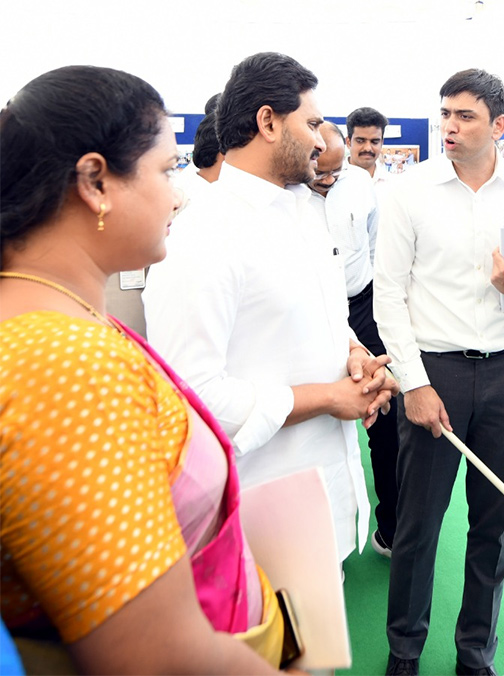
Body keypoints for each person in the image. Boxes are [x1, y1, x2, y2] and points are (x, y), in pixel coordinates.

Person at [1, 65, 287, 674]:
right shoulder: (66, 365)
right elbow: (158, 657)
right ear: (96, 181)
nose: (178, 193)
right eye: (166, 169)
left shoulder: (62, 319)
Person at [143, 52, 396, 564]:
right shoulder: (204, 235)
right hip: (257, 525)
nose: (325, 142)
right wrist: (328, 397)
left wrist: (353, 355)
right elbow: (194, 398)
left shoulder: (303, 213)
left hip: (322, 504)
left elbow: (321, 317)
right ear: (268, 122)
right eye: (313, 124)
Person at [374, 68, 504, 676]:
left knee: (493, 524)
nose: (450, 127)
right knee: (418, 525)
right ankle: (404, 653)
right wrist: (413, 383)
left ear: (499, 125)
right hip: (435, 371)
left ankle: (474, 657)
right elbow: (388, 294)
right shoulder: (410, 190)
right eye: (445, 114)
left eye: (464, 116)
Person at [309, 121, 402, 558]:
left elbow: (373, 246)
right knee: (320, 418)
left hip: (362, 307)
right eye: (319, 174)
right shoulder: (289, 195)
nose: (327, 181)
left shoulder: (361, 184)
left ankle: (392, 528)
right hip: (312, 310)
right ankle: (323, 539)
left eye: (335, 172)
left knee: (385, 416)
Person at [347, 106, 391, 186]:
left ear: (381, 143)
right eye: (360, 141)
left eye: (374, 142)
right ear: (348, 142)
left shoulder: (393, 185)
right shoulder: (332, 182)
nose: (367, 148)